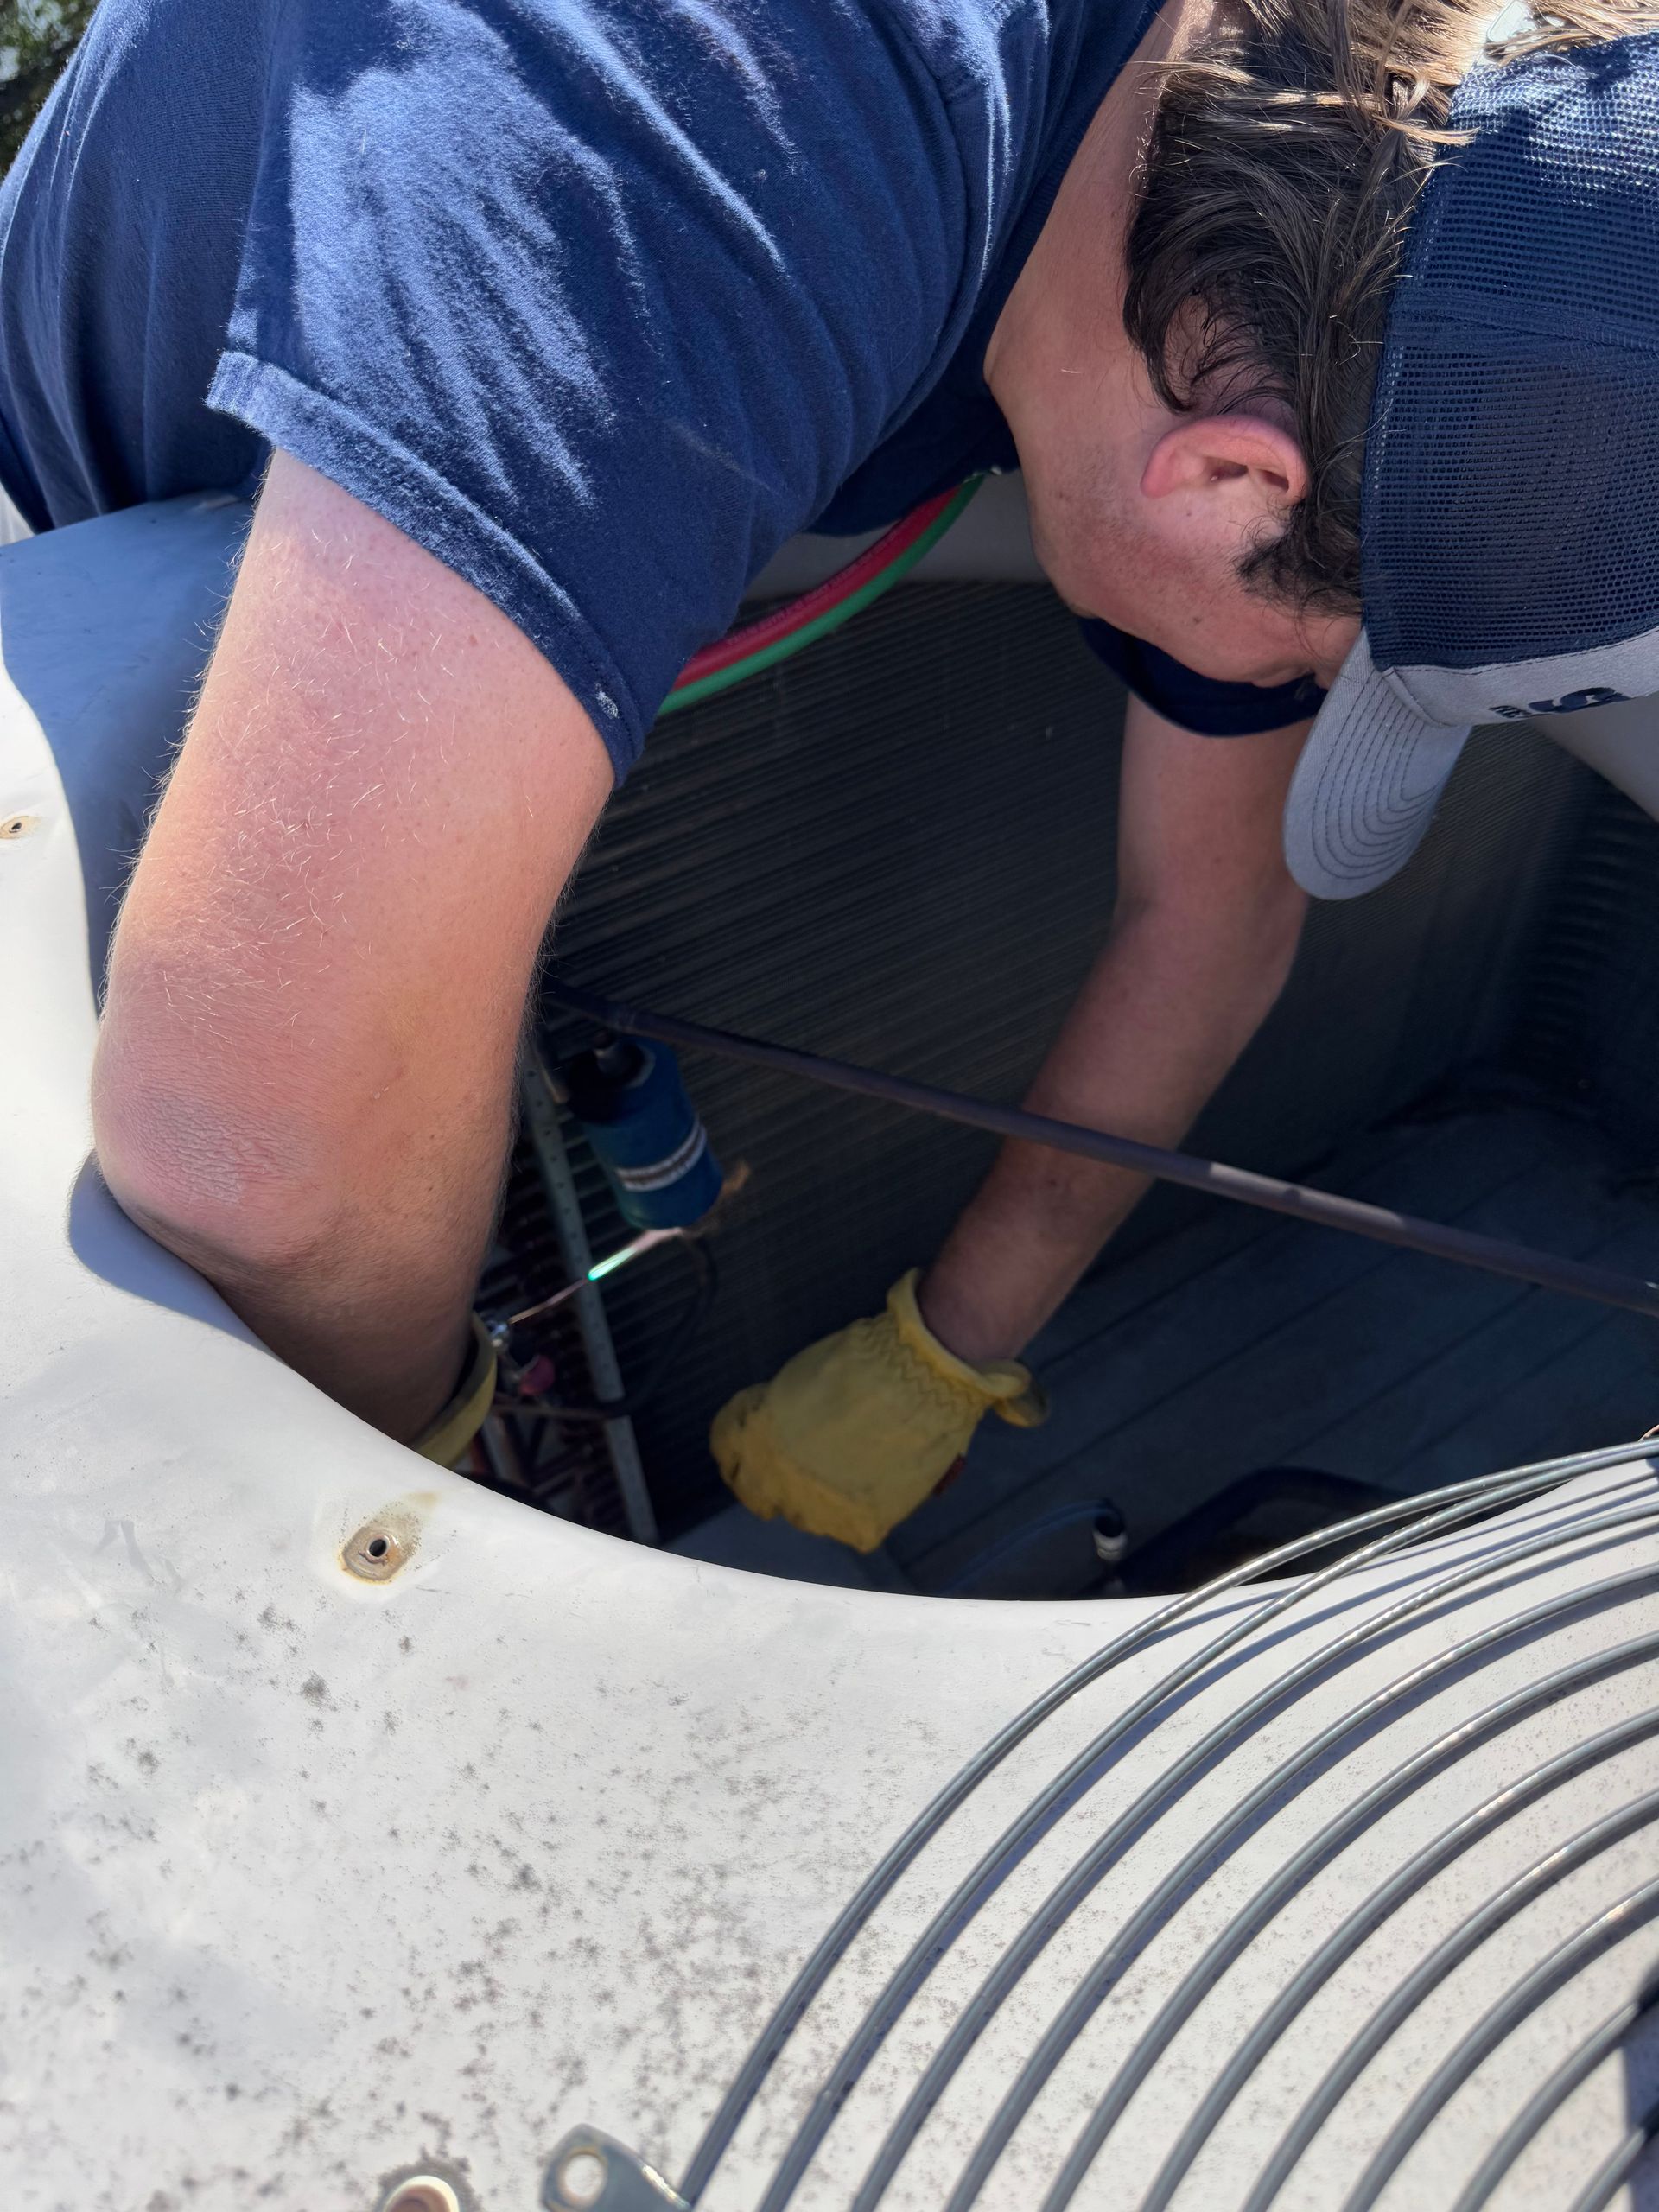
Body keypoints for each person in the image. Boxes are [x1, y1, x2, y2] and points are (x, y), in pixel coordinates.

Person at [2, 0, 1656, 1499]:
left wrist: (941, 1351)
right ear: (1231, 480)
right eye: (1333, 657)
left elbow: (1214, 911)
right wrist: (447, 1501)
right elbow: (262, 1165)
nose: (1307, 693)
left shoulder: (1268, 178)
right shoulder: (690, 137)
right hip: (64, 652)